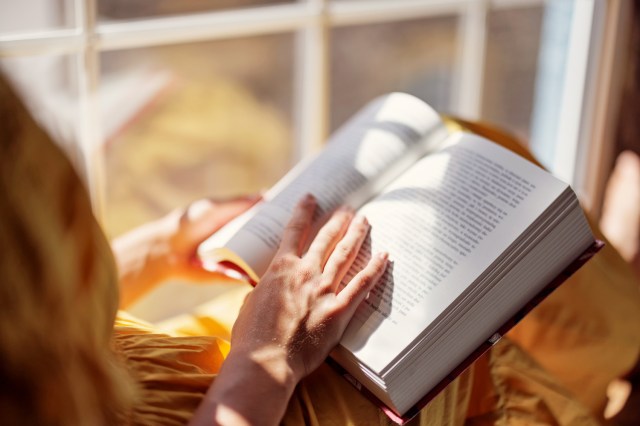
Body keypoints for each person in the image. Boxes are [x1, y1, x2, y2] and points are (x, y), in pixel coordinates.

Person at [1, 70, 639, 425]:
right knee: (465, 346)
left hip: (174, 364)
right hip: (256, 390)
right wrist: (266, 359)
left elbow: (21, 312)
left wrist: (162, 246)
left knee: (461, 141)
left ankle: (612, 331)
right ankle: (620, 352)